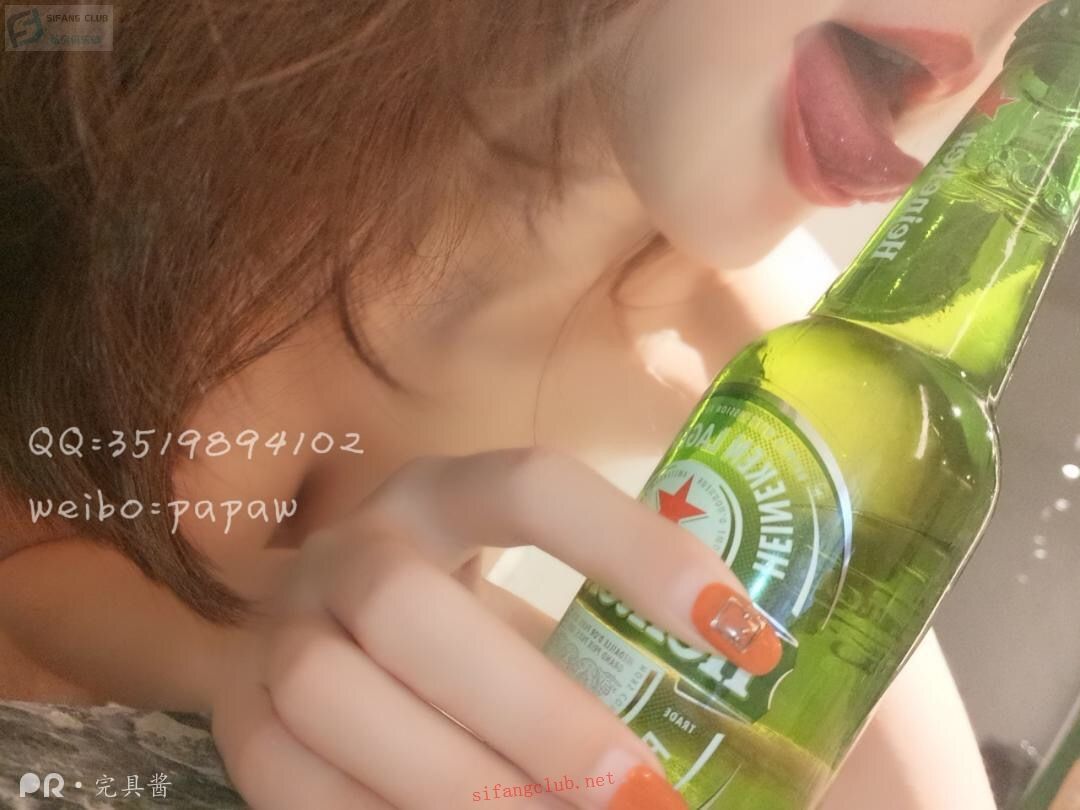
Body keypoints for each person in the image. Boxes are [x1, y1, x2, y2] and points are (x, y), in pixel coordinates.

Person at [0, 1, 1044, 808]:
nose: (1005, 25)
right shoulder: (91, 44)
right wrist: (226, 643)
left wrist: (258, 653)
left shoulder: (803, 405)